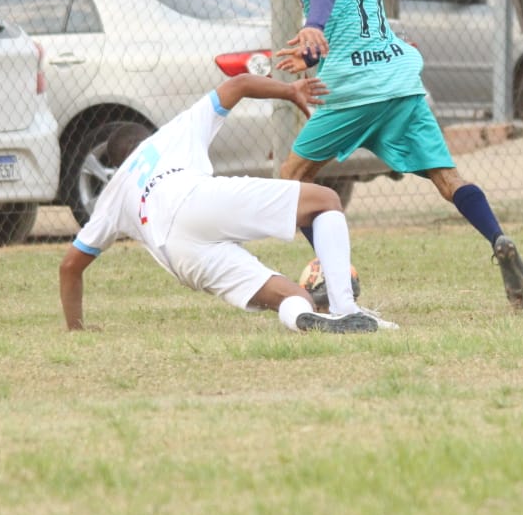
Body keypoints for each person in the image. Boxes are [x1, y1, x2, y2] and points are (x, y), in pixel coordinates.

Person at [271, 0, 523, 310]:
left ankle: (331, 269)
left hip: (357, 90)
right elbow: (352, 19)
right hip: (400, 80)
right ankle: (497, 236)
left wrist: (313, 27)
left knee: (292, 178)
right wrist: (316, 48)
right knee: (447, 179)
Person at [57, 73, 394, 334]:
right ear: (146, 136)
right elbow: (240, 84)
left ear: (116, 164)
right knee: (325, 200)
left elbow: (70, 267)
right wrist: (290, 91)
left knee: (296, 298)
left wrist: (76, 329)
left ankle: (306, 316)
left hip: (178, 255)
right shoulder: (171, 133)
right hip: (193, 198)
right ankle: (347, 309)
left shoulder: (114, 191)